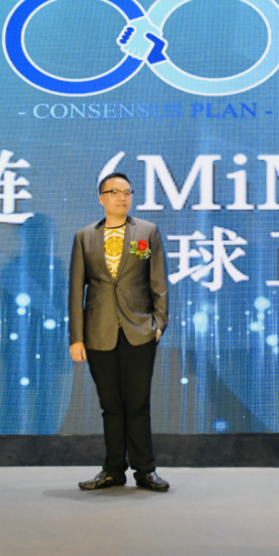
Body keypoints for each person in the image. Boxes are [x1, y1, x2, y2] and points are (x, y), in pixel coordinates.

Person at [69, 172, 169, 491]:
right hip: (98, 331)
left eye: (127, 192)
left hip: (139, 329)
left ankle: (145, 470)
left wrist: (158, 324)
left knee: (138, 404)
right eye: (114, 192)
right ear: (101, 198)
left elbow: (157, 281)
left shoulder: (146, 233)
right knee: (110, 405)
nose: (122, 197)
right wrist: (77, 337)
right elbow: (76, 290)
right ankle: (113, 469)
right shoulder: (84, 237)